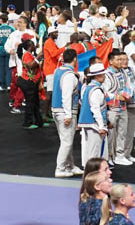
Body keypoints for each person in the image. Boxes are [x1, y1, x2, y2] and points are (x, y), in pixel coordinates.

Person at [52, 48, 82, 177]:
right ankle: (60, 168)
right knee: (67, 142)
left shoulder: (58, 71)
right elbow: (66, 95)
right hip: (65, 112)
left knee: (66, 140)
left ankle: (70, 165)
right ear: (75, 59)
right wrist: (68, 115)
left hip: (57, 110)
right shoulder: (69, 76)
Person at [79, 64, 109, 166]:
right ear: (98, 76)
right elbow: (95, 109)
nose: (104, 76)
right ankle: (93, 172)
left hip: (89, 123)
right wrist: (101, 126)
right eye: (103, 74)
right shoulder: (96, 90)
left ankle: (90, 171)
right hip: (94, 124)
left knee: (90, 150)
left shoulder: (89, 87)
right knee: (94, 152)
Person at [17, 37, 43, 130]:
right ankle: (27, 123)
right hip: (27, 81)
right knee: (30, 103)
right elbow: (31, 66)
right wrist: (38, 57)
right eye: (33, 45)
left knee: (35, 102)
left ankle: (39, 121)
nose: (35, 46)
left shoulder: (29, 54)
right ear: (30, 46)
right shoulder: (27, 55)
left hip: (31, 81)